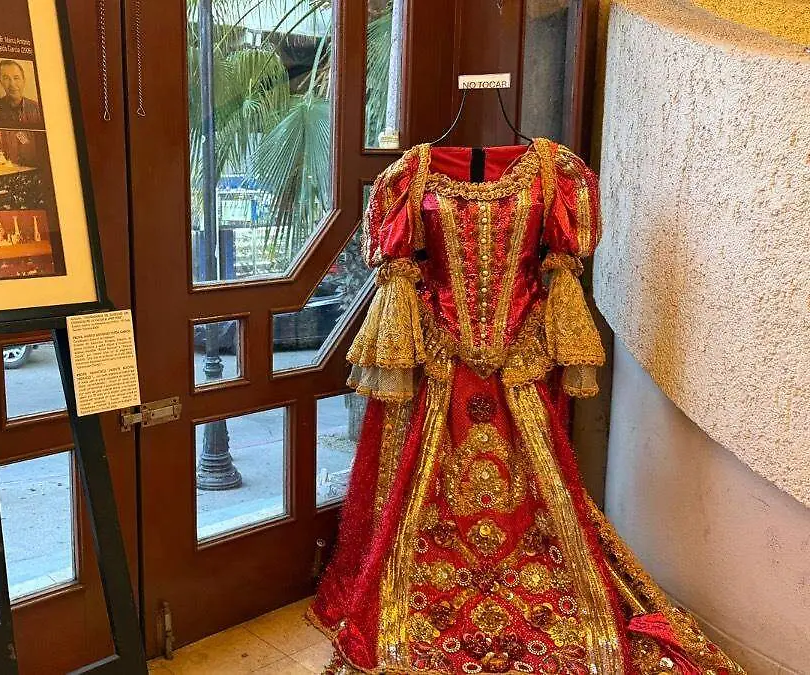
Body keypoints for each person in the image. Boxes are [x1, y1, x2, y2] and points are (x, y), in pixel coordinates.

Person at [308, 140, 745, 675]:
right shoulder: (412, 175)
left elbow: (557, 274)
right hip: (443, 367)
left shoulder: (553, 172)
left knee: (543, 491)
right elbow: (402, 272)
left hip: (519, 367)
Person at [0, 60, 42, 125]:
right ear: (0, 81)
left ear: (23, 80)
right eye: (6, 78)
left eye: (16, 78)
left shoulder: (37, 108)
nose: (12, 84)